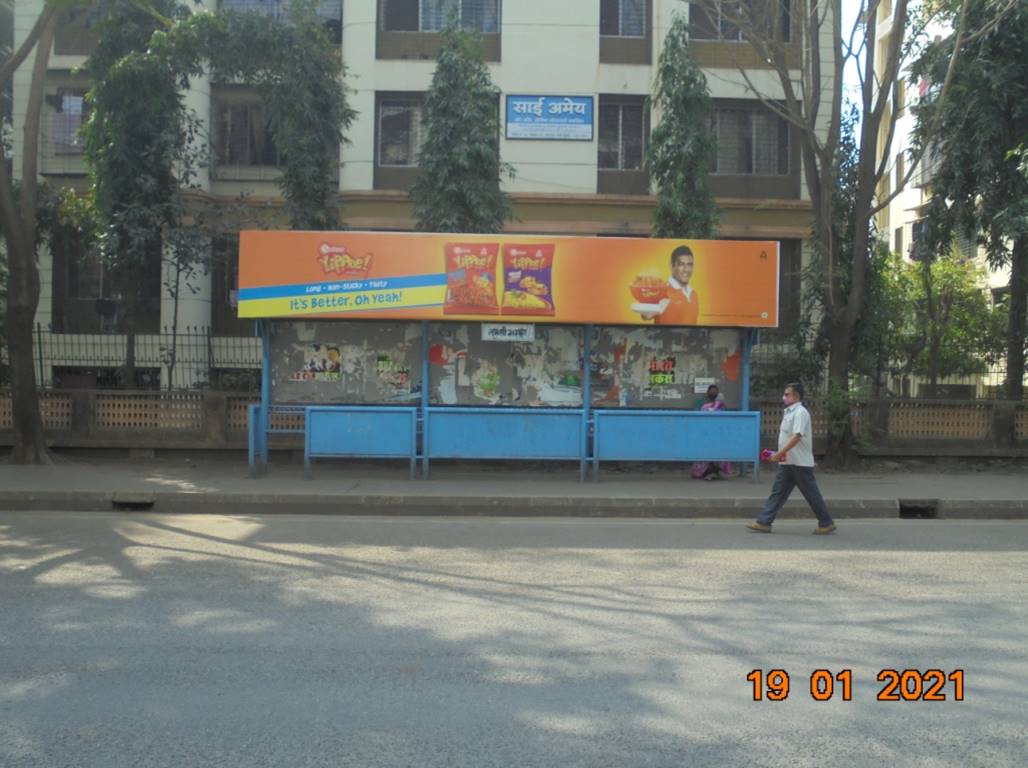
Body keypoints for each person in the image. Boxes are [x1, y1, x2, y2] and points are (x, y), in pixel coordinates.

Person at [746, 382, 837, 535]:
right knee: (778, 493)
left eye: (787, 394)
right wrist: (779, 453)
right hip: (789, 461)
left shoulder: (800, 412)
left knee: (811, 494)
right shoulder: (789, 412)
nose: (784, 397)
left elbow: (797, 436)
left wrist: (779, 453)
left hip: (799, 463)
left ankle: (826, 522)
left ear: (796, 396)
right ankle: (764, 522)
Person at [640, 245, 700, 324]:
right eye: (681, 264)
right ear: (672, 266)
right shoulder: (662, 291)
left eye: (689, 264)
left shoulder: (693, 294)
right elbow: (646, 315)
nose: (686, 269)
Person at [691, 384, 733, 480]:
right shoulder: (702, 403)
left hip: (717, 434)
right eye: (711, 391)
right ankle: (703, 473)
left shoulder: (721, 405)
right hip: (704, 433)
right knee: (704, 455)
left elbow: (725, 417)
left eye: (715, 391)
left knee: (718, 454)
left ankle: (716, 471)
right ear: (707, 392)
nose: (713, 393)